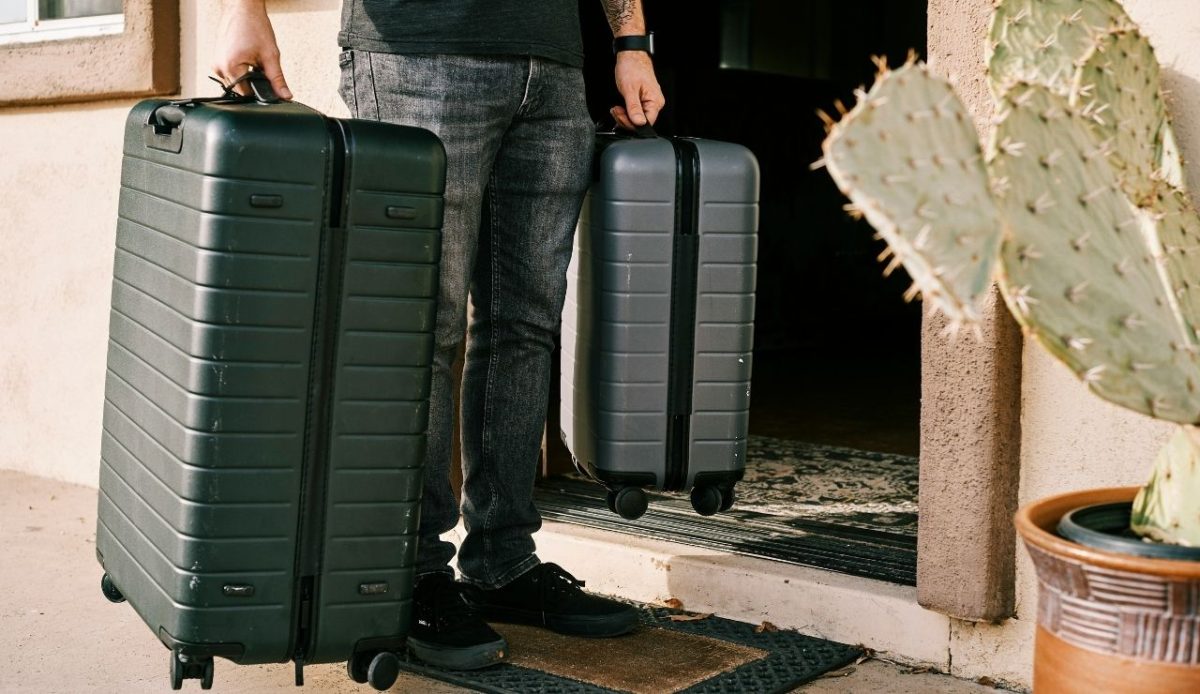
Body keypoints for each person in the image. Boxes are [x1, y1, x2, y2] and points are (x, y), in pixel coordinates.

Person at [215, 0, 665, 671]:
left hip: (552, 68)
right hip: (414, 56)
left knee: (526, 324)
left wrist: (631, 40)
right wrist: (242, 9)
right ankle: (408, 576)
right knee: (422, 325)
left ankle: (502, 560)